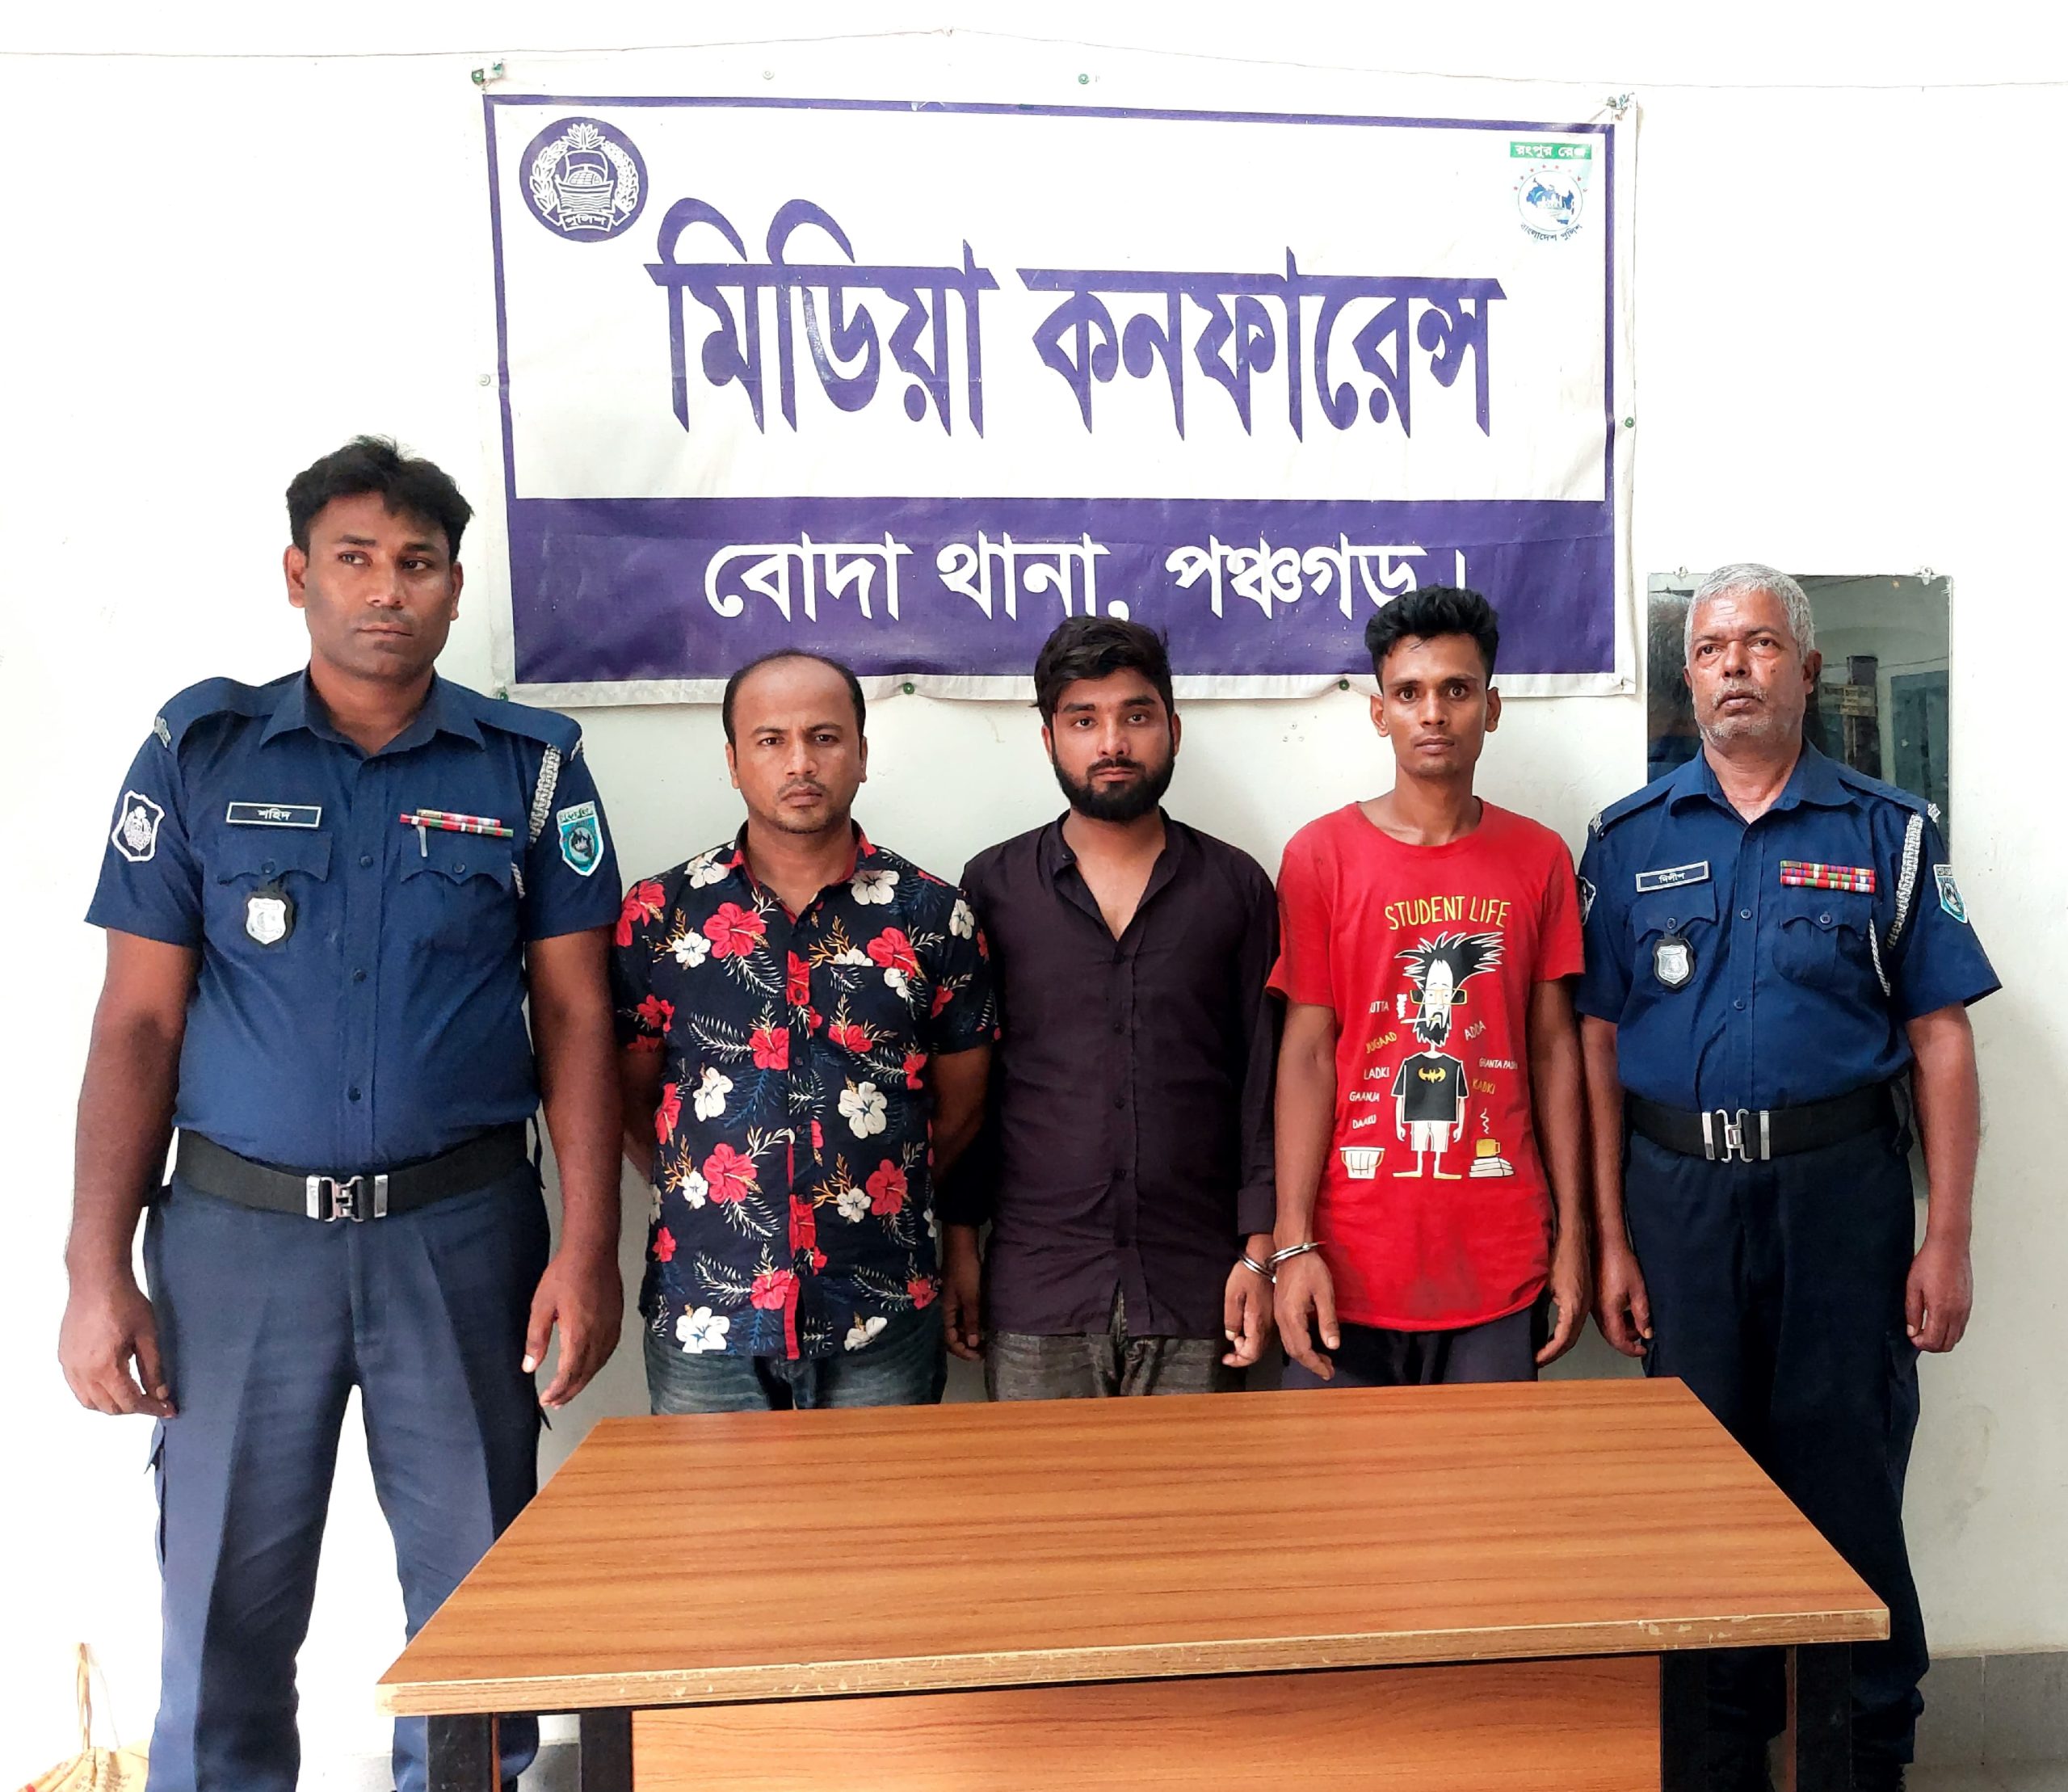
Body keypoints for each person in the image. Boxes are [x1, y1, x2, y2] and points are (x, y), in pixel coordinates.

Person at [61, 437, 624, 1792]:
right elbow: (137, 1023)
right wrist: (95, 1267)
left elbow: (577, 1016)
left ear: (454, 586)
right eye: (356, 558)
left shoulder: (530, 767)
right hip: (240, 1243)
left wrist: (589, 1244)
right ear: (297, 573)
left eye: (417, 563)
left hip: (462, 1233)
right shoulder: (199, 750)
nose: (387, 589)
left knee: (479, 1600)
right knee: (223, 1604)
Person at [1578, 564, 1995, 1792]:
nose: (1736, 666)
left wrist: (1948, 1236)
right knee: (1696, 1493)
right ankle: (1718, 1753)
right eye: (1713, 647)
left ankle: (1863, 1750)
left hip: (1840, 1203)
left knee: (1845, 1478)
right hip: (1678, 1204)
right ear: (1688, 674)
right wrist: (1609, 1237)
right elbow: (1595, 1041)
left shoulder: (1886, 831)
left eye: (1761, 644)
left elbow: (1941, 1039)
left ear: (1805, 671)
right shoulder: (1628, 838)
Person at [613, 650, 995, 1410]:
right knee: (707, 1501)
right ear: (732, 762)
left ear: (862, 753)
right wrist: (711, 1198)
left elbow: (960, 1107)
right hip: (705, 1319)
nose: (800, 763)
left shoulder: (932, 915)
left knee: (885, 1497)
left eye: (824, 737)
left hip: (881, 1308)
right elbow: (628, 1100)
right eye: (771, 740)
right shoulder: (659, 915)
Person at [941, 617, 1278, 1399]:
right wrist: (959, 1243)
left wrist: (1262, 1249)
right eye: (1084, 721)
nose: (1113, 743)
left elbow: (1265, 1085)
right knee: (1043, 1486)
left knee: (1196, 1485)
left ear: (1174, 729)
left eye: (1136, 715)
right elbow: (968, 1087)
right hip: (1038, 1287)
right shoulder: (993, 888)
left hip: (1199, 1284)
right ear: (1049, 739)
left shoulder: (1235, 888)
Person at [1271, 586, 1590, 1387]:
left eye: (1456, 689)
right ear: (1379, 713)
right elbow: (1307, 1054)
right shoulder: (1319, 857)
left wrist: (1573, 1235)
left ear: (1492, 706)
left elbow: (1554, 1053)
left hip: (1500, 1260)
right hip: (1346, 1262)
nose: (1434, 713)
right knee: (1333, 1472)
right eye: (1409, 693)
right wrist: (1291, 1241)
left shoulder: (1540, 858)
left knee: (1488, 1475)